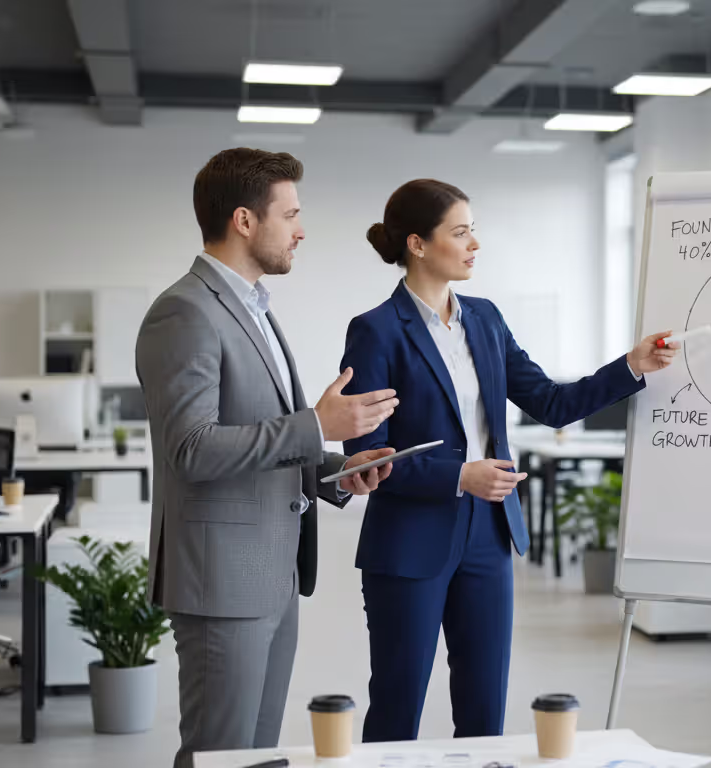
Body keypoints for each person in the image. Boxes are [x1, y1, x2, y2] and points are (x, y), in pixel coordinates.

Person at [341, 179, 680, 742]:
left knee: (484, 708)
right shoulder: (376, 331)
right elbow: (362, 456)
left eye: (474, 230)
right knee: (399, 707)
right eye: (461, 231)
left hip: (489, 537)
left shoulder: (486, 319)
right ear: (419, 244)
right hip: (409, 542)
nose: (475, 243)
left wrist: (632, 366)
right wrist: (460, 476)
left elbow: (550, 402)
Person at [136, 148, 400, 768]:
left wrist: (337, 471)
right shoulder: (185, 312)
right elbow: (191, 448)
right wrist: (316, 425)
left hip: (272, 575)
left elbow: (263, 438)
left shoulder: (255, 309)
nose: (301, 229)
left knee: (254, 758)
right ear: (245, 221)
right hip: (221, 582)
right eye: (291, 214)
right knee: (219, 756)